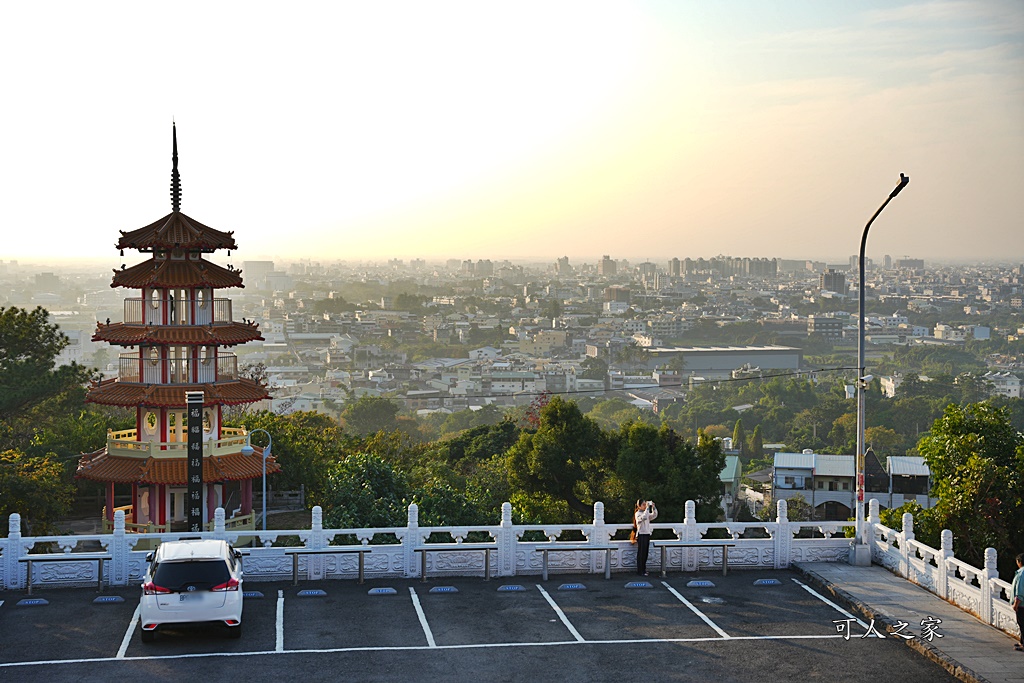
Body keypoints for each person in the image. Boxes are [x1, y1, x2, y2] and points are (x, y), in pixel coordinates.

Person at [633, 499, 658, 576]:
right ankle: (640, 571)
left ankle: (644, 570)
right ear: (639, 506)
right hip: (641, 534)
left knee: (645, 553)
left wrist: (653, 508)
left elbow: (654, 515)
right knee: (641, 553)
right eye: (643, 504)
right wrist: (647, 508)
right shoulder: (638, 514)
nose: (645, 506)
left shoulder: (645, 513)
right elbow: (643, 517)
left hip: (647, 534)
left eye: (645, 504)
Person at [1013, 552, 1024, 652]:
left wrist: (1016, 604)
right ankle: (1021, 642)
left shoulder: (1021, 573)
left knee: (1022, 623)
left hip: (1022, 604)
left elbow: (1019, 591)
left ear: (1019, 562)